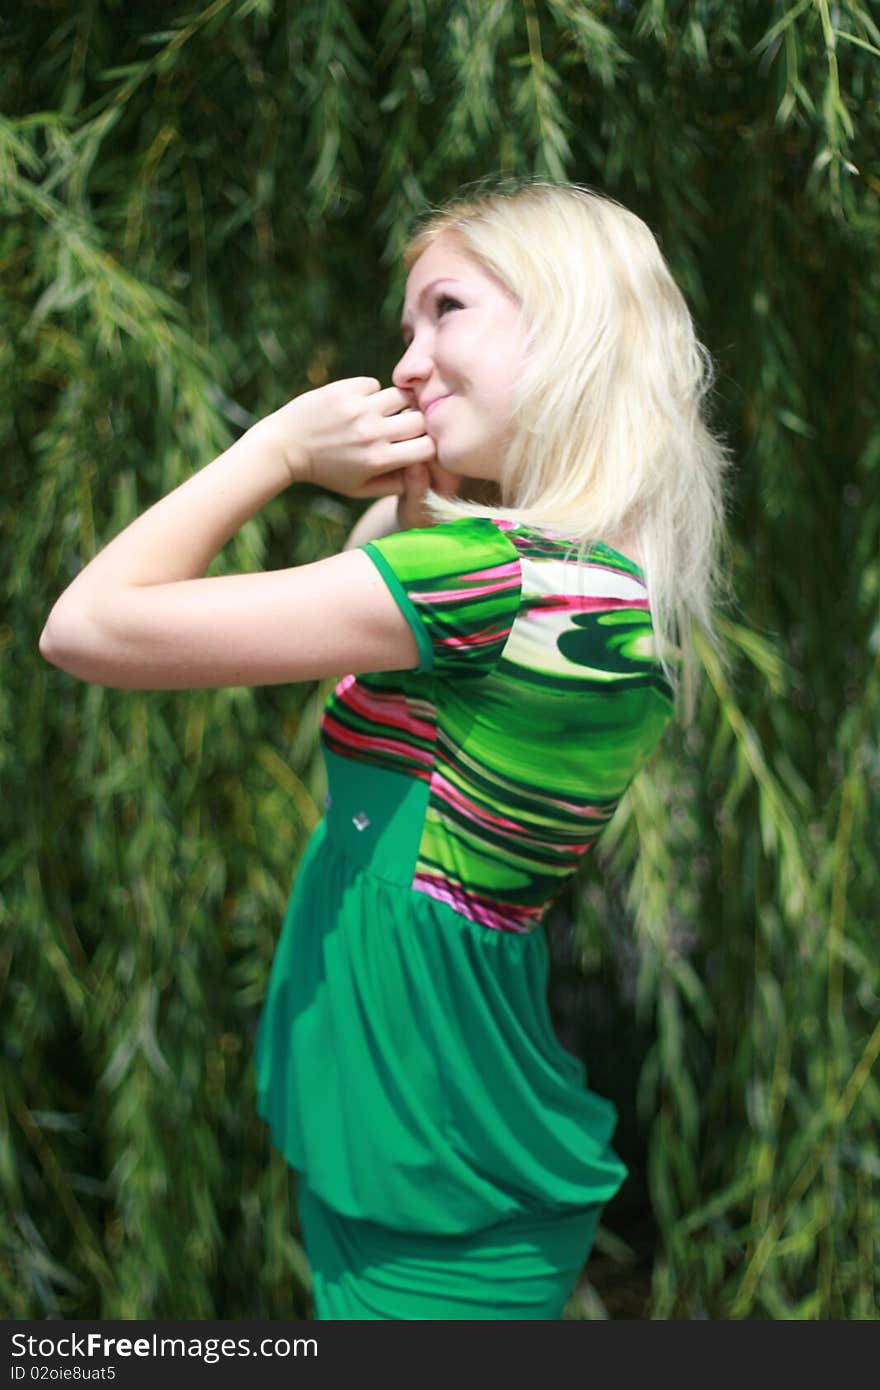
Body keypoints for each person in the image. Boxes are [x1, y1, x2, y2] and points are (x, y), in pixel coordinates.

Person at [39, 180, 728, 1320]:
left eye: (443, 310)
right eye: (406, 326)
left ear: (568, 325)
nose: (405, 361)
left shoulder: (486, 581)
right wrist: (424, 487)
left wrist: (270, 448)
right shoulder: (588, 577)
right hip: (423, 1107)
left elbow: (88, 625)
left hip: (421, 1143)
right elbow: (390, 603)